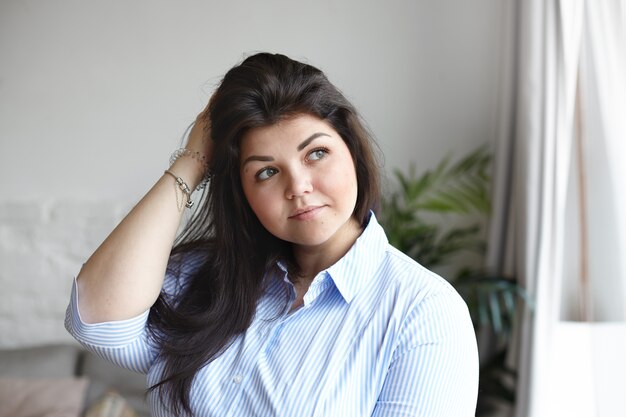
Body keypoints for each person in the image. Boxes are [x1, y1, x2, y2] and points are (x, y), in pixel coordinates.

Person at [65, 52, 479, 416]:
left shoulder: (423, 313)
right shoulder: (209, 277)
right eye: (266, 171)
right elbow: (98, 322)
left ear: (352, 150)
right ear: (243, 192)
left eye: (316, 153)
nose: (297, 186)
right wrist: (193, 159)